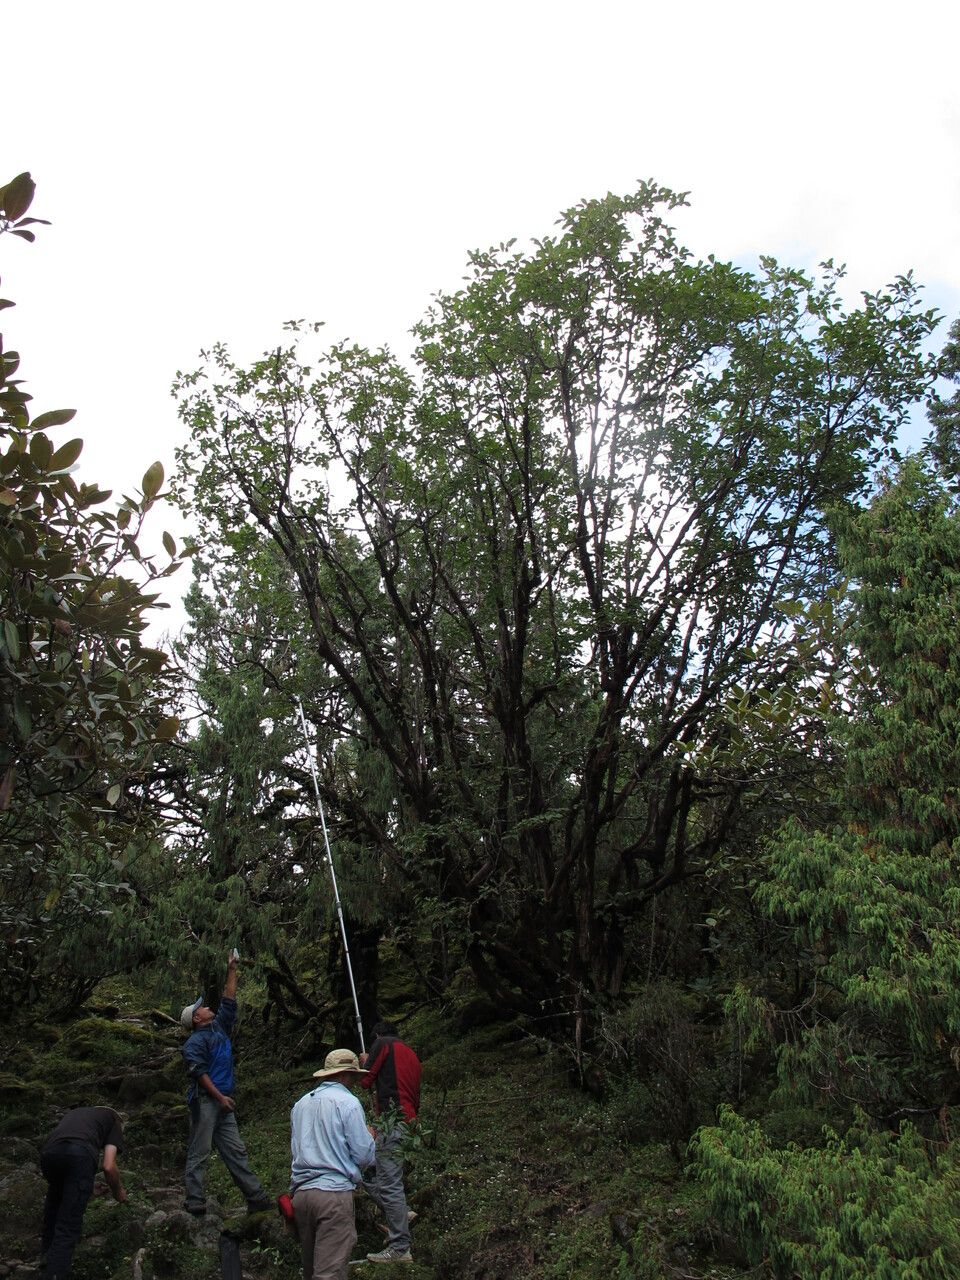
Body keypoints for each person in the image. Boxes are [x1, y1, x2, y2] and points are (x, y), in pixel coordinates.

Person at [180, 950, 271, 1215]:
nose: (207, 1006)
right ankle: (194, 1198)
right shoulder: (194, 1043)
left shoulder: (218, 1028)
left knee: (235, 1150)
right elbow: (200, 1074)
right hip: (207, 1101)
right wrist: (220, 1098)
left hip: (222, 1101)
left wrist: (232, 969)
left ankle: (256, 1196)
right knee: (200, 1149)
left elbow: (228, 1001)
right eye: (202, 1007)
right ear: (197, 1018)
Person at [289, 1048, 376, 1280]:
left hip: (302, 1195)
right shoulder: (348, 1102)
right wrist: (371, 1138)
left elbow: (297, 1148)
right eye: (354, 1077)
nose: (356, 1082)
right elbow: (364, 1154)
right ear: (346, 1075)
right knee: (330, 1272)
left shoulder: (300, 1105)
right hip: (333, 1195)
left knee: (310, 1269)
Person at [359, 1020, 422, 1265]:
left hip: (392, 1121)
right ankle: (402, 1215)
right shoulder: (410, 1052)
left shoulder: (383, 1044)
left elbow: (365, 1080)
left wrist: (366, 1061)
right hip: (409, 1123)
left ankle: (400, 1247)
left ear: (377, 1036)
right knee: (379, 1175)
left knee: (387, 1184)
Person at [40, 1105, 126, 1279]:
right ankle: (55, 1274)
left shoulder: (78, 1114)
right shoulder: (114, 1120)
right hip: (79, 1154)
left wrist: (87, 1186)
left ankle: (46, 1258)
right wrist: (119, 1193)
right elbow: (109, 1166)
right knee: (68, 1224)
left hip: (49, 1153)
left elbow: (66, 1152)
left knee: (55, 1203)